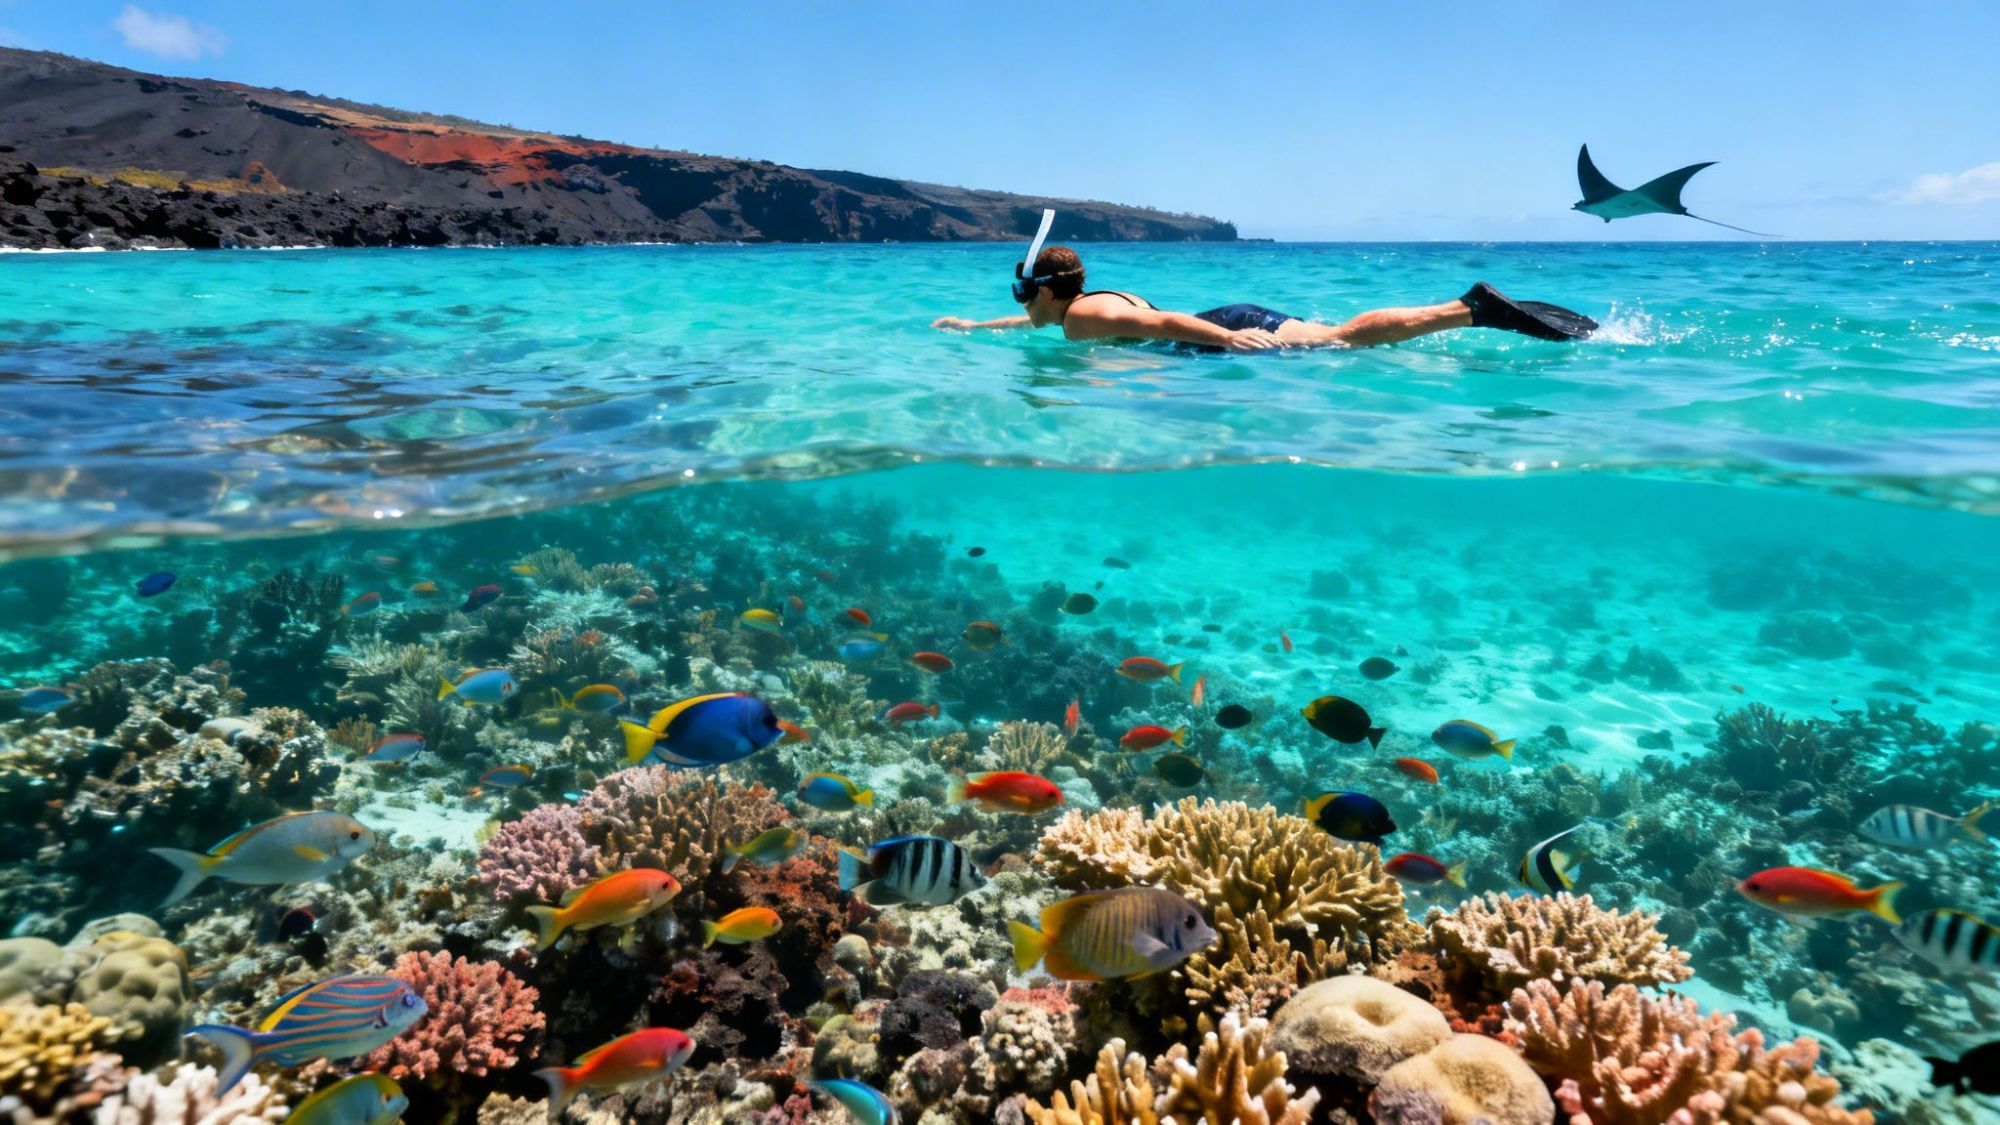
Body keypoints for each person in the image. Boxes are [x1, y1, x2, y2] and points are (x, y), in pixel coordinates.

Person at [931, 245, 1597, 352]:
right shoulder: (1084, 304)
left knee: (1339, 340)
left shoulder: (1083, 318)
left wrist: (1225, 340)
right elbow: (1022, 326)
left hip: (1224, 329)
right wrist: (970, 324)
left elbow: (1161, 321)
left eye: (1024, 296)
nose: (1020, 308)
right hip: (1224, 318)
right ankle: (1478, 311)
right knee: (1339, 334)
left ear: (1046, 293)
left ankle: (1470, 309)